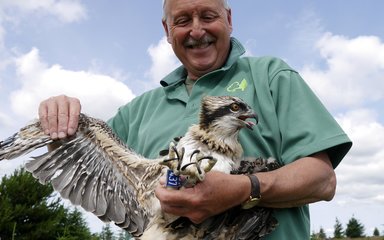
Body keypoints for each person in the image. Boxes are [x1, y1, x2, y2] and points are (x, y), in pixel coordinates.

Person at [38, 0, 352, 239]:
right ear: (167, 30)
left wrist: (245, 189)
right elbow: (77, 156)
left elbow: (322, 180)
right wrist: (62, 116)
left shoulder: (271, 77)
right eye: (183, 20)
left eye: (208, 16)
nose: (197, 30)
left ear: (229, 20)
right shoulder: (139, 110)